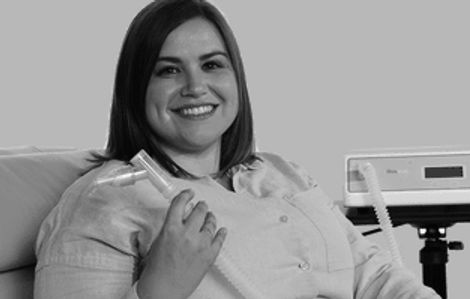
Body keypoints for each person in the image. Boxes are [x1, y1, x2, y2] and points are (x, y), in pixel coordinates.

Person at [34, 0, 441, 298]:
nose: (195, 86)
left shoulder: (284, 173)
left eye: (212, 65)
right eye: (168, 70)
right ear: (135, 88)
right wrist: (159, 290)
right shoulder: (103, 204)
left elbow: (373, 275)